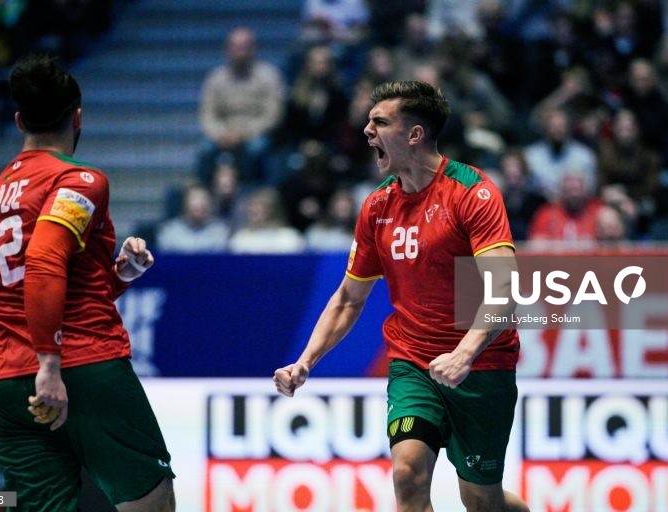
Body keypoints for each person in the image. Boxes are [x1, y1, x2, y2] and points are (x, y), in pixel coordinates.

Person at [274, 80, 529, 512]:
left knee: (483, 500)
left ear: (414, 135)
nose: (366, 131)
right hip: (414, 365)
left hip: (483, 366)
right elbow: (349, 299)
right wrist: (305, 361)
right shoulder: (377, 207)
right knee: (407, 474)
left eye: (380, 122)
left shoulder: (473, 192)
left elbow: (504, 290)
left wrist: (464, 354)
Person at [0, 54, 175, 512]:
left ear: (20, 120)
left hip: (1, 382)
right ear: (78, 117)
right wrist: (49, 363)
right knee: (151, 499)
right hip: (79, 367)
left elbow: (42, 281)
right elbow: (43, 263)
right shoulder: (77, 181)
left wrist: (120, 274)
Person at [197, 26, 285, 184]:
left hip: (255, 133)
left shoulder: (269, 76)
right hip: (223, 135)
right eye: (236, 47)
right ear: (227, 50)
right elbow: (207, 115)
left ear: (253, 49)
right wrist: (221, 134)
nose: (240, 52)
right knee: (205, 150)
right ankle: (204, 194)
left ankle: (251, 193)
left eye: (245, 47)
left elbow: (272, 115)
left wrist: (243, 134)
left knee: (255, 150)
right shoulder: (215, 78)